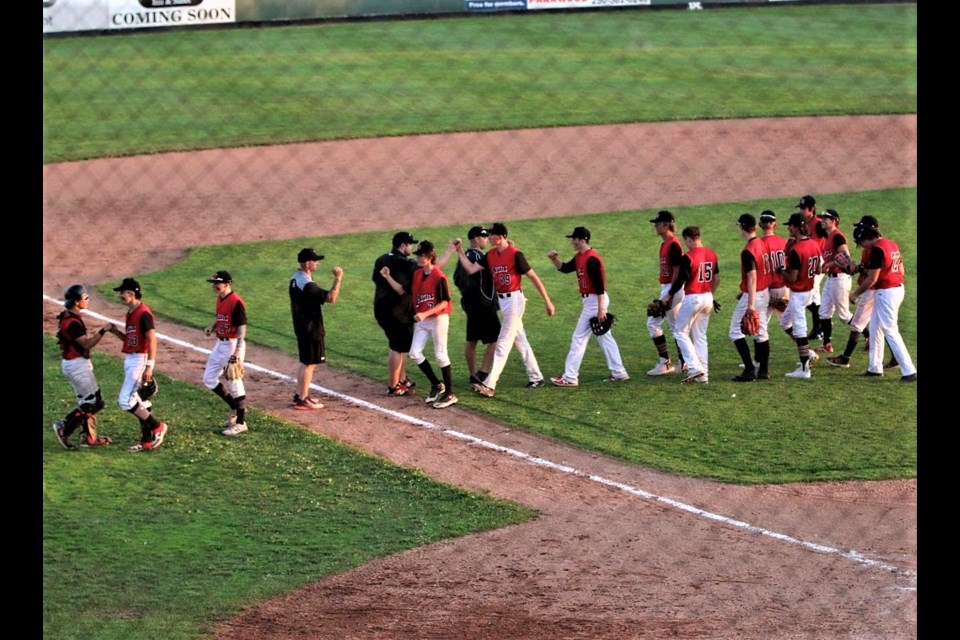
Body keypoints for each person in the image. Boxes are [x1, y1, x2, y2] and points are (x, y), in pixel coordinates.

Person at [454, 222, 555, 397]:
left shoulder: (516, 255)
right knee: (519, 340)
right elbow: (470, 269)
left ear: (501, 237)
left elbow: (533, 277)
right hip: (503, 301)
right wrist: (460, 251)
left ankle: (490, 384)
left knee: (502, 343)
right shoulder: (491, 255)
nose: (490, 238)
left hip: (515, 301)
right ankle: (536, 377)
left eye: (492, 235)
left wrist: (548, 301)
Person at [546, 226, 629, 386]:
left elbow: (600, 286)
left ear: (582, 240)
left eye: (574, 239)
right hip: (592, 301)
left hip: (595, 301)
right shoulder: (580, 257)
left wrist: (601, 309)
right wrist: (554, 259)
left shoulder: (592, 259)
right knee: (605, 338)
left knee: (579, 338)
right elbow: (564, 268)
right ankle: (619, 372)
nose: (572, 242)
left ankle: (570, 377)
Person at [382, 241, 458, 408]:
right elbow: (401, 290)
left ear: (430, 258)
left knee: (440, 355)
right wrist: (387, 277)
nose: (418, 257)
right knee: (415, 353)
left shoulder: (439, 276)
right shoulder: (417, 274)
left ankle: (450, 393)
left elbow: (444, 302)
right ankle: (437, 385)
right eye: (418, 255)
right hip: (424, 321)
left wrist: (425, 313)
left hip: (438, 319)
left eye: (422, 255)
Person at [104, 278, 169, 452]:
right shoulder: (130, 313)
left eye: (122, 292)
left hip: (140, 360)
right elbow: (131, 340)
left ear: (132, 293)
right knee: (139, 401)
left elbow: (152, 340)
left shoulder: (143, 313)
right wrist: (116, 332)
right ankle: (146, 441)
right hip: (130, 359)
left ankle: (158, 427)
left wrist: (150, 366)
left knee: (125, 400)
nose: (120, 295)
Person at [826, 216, 898, 370]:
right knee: (881, 327)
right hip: (883, 290)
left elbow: (873, 276)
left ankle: (845, 358)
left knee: (858, 324)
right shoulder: (881, 246)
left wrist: (855, 293)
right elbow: (868, 269)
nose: (860, 242)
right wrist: (855, 268)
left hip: (875, 290)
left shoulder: (876, 249)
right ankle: (891, 360)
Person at [849, 227, 917, 381]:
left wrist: (855, 294)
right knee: (875, 328)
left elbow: (872, 279)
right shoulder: (891, 244)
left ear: (866, 238)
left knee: (890, 330)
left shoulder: (877, 250)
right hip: (895, 289)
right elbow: (901, 270)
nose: (862, 247)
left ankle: (909, 370)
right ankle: (875, 368)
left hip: (886, 292)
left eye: (861, 243)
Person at [52, 285, 115, 449]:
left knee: (89, 401)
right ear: (76, 301)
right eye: (85, 298)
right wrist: (103, 331)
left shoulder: (69, 315)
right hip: (77, 365)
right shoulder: (72, 323)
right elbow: (86, 344)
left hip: (74, 364)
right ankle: (65, 428)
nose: (88, 300)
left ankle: (90, 438)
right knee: (93, 403)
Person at [437, 226, 500, 385]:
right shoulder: (480, 256)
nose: (487, 240)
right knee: (497, 338)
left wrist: (467, 294)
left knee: (472, 339)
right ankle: (483, 372)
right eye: (485, 237)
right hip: (484, 304)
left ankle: (473, 374)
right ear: (476, 239)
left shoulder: (464, 257)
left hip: (470, 303)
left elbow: (457, 279)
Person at [658, 226, 720, 384]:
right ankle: (703, 375)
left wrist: (668, 296)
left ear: (689, 239)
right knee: (700, 336)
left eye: (686, 240)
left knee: (680, 332)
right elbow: (717, 278)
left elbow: (680, 281)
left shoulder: (688, 257)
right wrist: (710, 294)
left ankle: (694, 368)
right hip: (708, 298)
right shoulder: (711, 254)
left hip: (694, 298)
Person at [289, 248, 343, 409]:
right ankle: (304, 399)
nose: (317, 263)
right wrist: (338, 279)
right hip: (311, 328)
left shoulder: (295, 278)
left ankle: (300, 396)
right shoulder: (307, 285)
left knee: (305, 362)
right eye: (315, 260)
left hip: (301, 326)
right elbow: (331, 298)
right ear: (307, 263)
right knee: (310, 363)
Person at [202, 271, 250, 436]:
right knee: (209, 379)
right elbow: (222, 317)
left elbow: (242, 327)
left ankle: (241, 423)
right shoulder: (221, 298)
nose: (214, 286)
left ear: (228, 283)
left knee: (234, 382)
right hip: (219, 344)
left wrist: (237, 351)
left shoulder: (236, 301)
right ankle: (235, 408)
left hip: (231, 344)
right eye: (213, 283)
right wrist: (212, 326)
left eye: (218, 283)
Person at [372, 232, 418, 396]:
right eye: (410, 244)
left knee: (402, 345)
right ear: (403, 245)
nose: (411, 248)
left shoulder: (381, 259)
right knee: (397, 346)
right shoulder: (402, 262)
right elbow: (422, 269)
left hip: (383, 308)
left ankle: (402, 379)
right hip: (396, 311)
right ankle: (393, 386)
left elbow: (375, 279)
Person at [779, 214, 824, 379]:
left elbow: (792, 278)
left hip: (799, 293)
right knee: (785, 323)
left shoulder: (797, 250)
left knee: (800, 329)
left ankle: (805, 369)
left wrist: (780, 270)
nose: (788, 228)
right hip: (809, 290)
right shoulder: (813, 243)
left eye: (790, 226)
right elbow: (819, 270)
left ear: (797, 227)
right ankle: (809, 353)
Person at [728, 214, 771, 381]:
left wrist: (750, 304)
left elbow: (752, 277)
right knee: (761, 331)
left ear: (742, 227)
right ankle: (764, 371)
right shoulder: (762, 243)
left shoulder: (748, 250)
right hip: (764, 292)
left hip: (754, 294)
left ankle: (749, 369)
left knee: (734, 331)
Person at [645, 210, 685, 376]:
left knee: (652, 323)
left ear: (666, 225)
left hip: (672, 289)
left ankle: (664, 362)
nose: (655, 226)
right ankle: (684, 362)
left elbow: (677, 271)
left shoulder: (674, 245)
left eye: (658, 223)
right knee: (677, 327)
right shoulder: (665, 244)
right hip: (670, 288)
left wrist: (668, 294)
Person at [813, 209, 853, 355]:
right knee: (823, 313)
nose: (823, 220)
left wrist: (829, 265)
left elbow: (845, 256)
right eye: (822, 218)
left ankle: (868, 336)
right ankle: (827, 344)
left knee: (844, 315)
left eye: (826, 218)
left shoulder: (837, 237)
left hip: (841, 279)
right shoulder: (828, 237)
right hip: (831, 280)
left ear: (834, 220)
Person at [795, 195, 826, 342]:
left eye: (804, 208)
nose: (801, 211)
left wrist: (827, 259)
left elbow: (831, 238)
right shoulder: (804, 223)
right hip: (809, 261)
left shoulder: (818, 224)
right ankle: (820, 327)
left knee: (808, 293)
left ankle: (820, 327)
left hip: (818, 262)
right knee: (813, 296)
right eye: (800, 208)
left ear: (812, 209)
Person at [759, 211, 790, 327]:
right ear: (775, 225)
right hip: (784, 289)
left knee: (760, 326)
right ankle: (803, 345)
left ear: (760, 224)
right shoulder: (784, 242)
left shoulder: (759, 245)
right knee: (788, 324)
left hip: (767, 291)